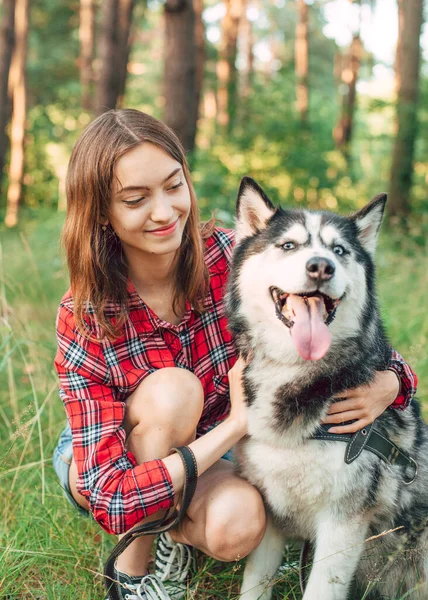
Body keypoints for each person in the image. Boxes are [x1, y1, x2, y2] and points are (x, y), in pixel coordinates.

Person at [52, 109, 418, 600]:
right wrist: (236, 425)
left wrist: (392, 381)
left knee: (239, 523)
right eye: (136, 199)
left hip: (211, 448)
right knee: (175, 391)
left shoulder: (242, 256)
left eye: (174, 185)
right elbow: (112, 497)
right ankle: (135, 570)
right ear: (101, 211)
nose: (163, 212)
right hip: (112, 461)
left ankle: (175, 529)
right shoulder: (84, 313)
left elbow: (358, 339)